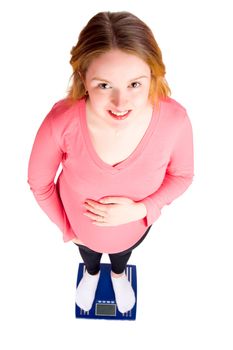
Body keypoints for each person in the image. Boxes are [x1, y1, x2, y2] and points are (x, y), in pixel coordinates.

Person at [27, 11, 194, 313]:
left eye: (135, 85)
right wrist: (67, 228)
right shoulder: (61, 122)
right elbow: (39, 183)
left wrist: (142, 210)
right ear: (83, 79)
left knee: (122, 256)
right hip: (81, 232)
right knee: (89, 256)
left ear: (154, 76)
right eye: (104, 85)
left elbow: (182, 175)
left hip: (133, 230)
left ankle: (118, 274)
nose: (121, 103)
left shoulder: (175, 121)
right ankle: (91, 274)